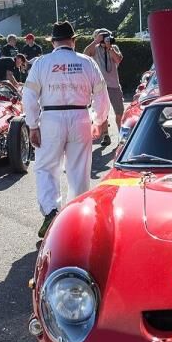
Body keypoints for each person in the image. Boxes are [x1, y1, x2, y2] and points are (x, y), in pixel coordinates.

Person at [23, 20, 110, 239]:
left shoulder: (42, 63)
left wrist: (33, 125)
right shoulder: (87, 62)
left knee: (45, 167)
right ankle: (76, 215)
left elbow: (29, 96)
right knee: (79, 169)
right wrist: (99, 121)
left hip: (50, 118)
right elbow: (101, 94)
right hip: (80, 116)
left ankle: (51, 211)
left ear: (53, 42)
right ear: (73, 41)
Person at [84, 29, 125, 148]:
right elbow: (85, 54)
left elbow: (118, 60)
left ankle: (122, 136)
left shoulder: (114, 47)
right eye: (103, 37)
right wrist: (96, 41)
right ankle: (105, 135)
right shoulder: (95, 48)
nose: (106, 38)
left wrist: (109, 47)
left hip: (114, 85)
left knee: (119, 112)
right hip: (100, 87)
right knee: (102, 113)